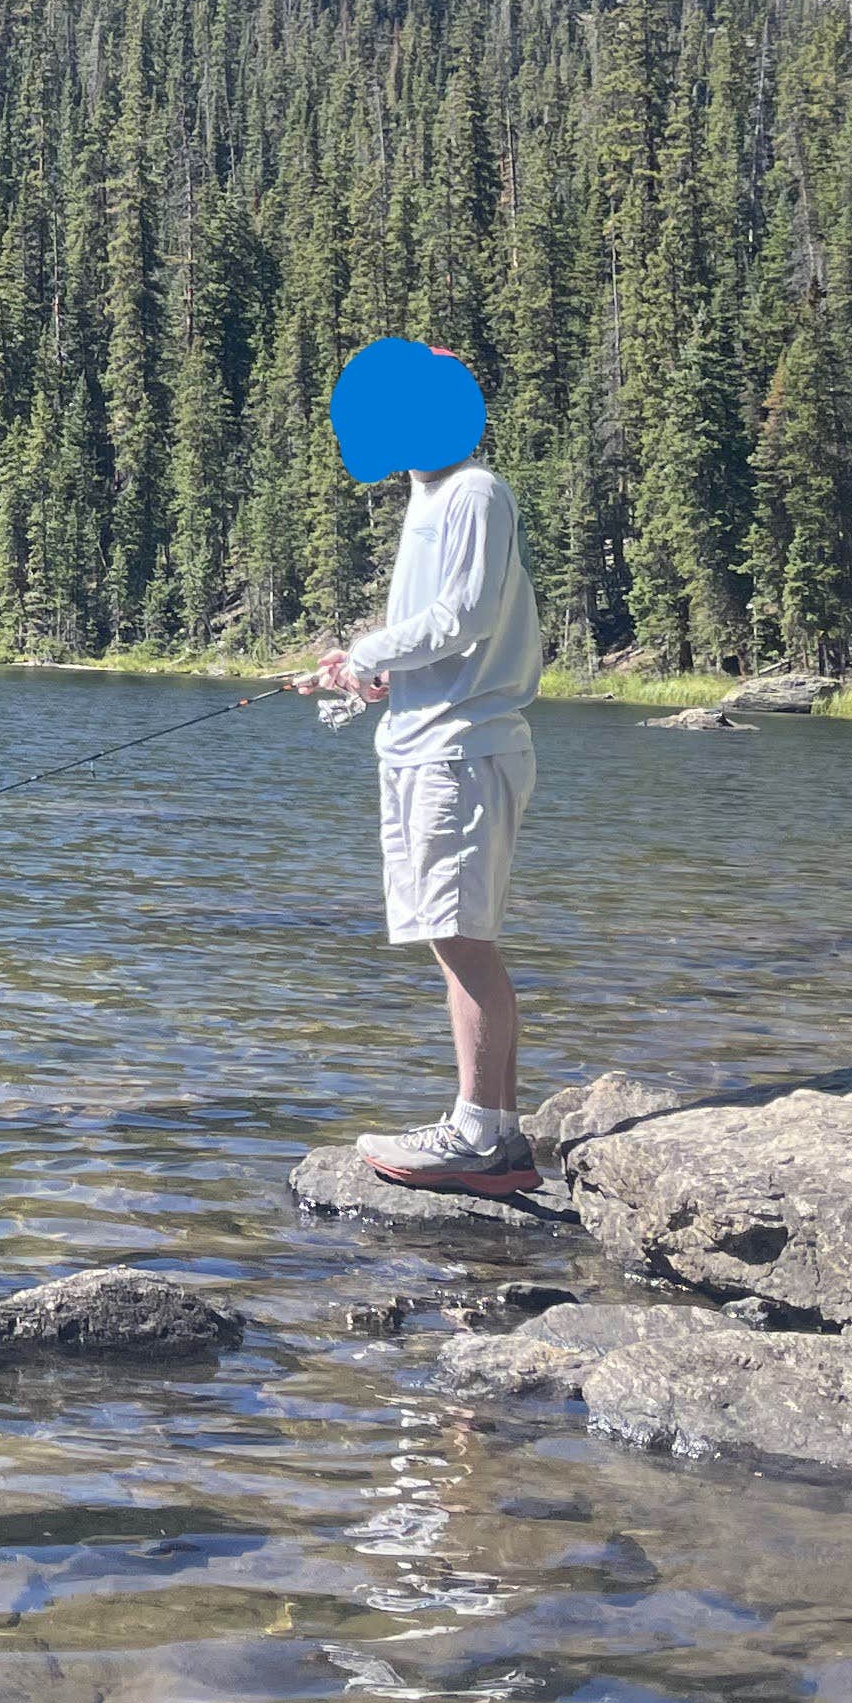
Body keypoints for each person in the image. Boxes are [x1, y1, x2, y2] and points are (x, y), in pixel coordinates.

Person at [296, 338, 546, 1195]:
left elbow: (465, 617)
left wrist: (369, 648)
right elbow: (433, 640)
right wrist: (366, 676)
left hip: (462, 752)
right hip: (426, 744)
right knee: (455, 939)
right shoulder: (429, 497)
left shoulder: (476, 491)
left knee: (462, 938)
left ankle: (477, 1134)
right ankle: (500, 1137)